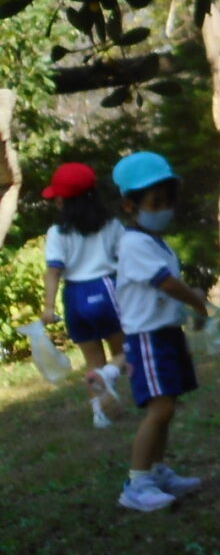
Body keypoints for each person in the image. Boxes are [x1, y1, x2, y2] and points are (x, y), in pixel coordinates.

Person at [111, 151, 210, 513]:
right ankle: (137, 482)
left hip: (166, 334)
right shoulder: (134, 243)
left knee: (167, 407)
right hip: (148, 339)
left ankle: (156, 471)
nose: (165, 208)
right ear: (129, 205)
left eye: (169, 200)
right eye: (155, 201)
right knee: (160, 408)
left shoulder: (155, 241)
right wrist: (197, 300)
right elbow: (166, 283)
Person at [41, 162, 126, 428]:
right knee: (127, 350)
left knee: (92, 360)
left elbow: (53, 271)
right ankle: (111, 378)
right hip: (106, 288)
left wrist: (48, 307)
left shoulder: (57, 232)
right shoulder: (111, 224)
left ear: (65, 201)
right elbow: (126, 256)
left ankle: (99, 414)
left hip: (74, 296)